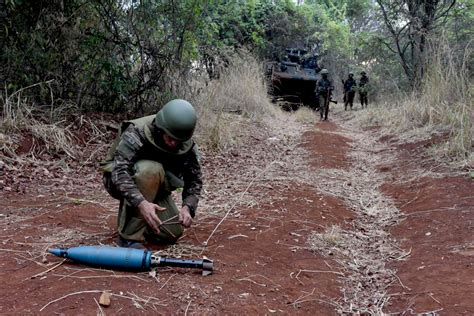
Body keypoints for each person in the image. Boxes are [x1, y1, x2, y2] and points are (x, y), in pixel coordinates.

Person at [100, 99, 203, 249]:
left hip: (156, 186)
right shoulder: (138, 131)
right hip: (119, 181)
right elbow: (119, 172)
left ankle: (140, 221)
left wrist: (188, 207)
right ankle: (129, 238)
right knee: (150, 169)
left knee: (172, 234)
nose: (174, 144)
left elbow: (194, 180)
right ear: (161, 128)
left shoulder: (185, 143)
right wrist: (141, 204)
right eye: (170, 138)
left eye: (178, 141)